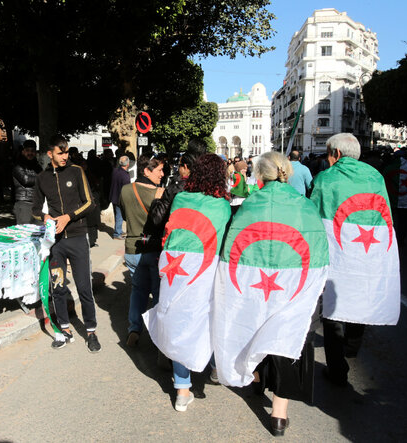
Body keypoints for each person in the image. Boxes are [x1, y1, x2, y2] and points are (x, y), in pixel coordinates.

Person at [213, 151, 329, 437]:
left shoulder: (250, 205)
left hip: (254, 284)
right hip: (294, 284)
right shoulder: (305, 205)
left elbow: (233, 246)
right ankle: (279, 413)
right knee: (287, 338)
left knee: (255, 327)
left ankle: (254, 379)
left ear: (260, 175)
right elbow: (319, 244)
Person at [310, 133, 400, 386]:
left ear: (336, 154)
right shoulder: (375, 176)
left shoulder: (326, 178)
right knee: (361, 296)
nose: (327, 159)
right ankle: (351, 347)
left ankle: (337, 368)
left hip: (337, 251)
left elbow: (314, 214)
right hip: (368, 249)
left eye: (328, 154)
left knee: (333, 307)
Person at [143, 153, 231, 412]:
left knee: (179, 319)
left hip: (174, 267)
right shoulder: (223, 206)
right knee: (210, 318)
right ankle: (215, 368)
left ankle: (182, 388)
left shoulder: (180, 198)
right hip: (205, 269)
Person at [32, 136, 101, 353]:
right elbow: (34, 208)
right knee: (58, 287)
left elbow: (90, 202)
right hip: (56, 243)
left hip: (78, 238)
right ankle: (63, 329)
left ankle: (91, 331)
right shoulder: (41, 178)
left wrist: (68, 217)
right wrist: (45, 218)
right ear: (49, 154)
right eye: (60, 153)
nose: (65, 156)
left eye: (67, 152)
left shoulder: (76, 171)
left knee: (83, 287)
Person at [119, 154, 165, 347]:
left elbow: (123, 213)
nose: (162, 174)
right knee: (157, 293)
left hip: (132, 248)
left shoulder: (126, 190)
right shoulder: (161, 193)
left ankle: (134, 328)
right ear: (147, 171)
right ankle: (158, 335)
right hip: (153, 249)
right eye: (159, 170)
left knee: (138, 291)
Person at [149, 151, 197, 230]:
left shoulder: (174, 189)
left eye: (179, 166)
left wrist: (157, 201)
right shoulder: (204, 188)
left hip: (176, 234)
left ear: (185, 167)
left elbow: (157, 219)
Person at [12, 140, 42, 224]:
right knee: (24, 233)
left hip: (37, 203)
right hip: (24, 203)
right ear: (23, 152)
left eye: (32, 151)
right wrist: (42, 178)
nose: (30, 153)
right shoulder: (18, 166)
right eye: (27, 151)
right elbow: (26, 180)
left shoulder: (37, 166)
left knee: (39, 232)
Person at [109, 155, 131, 239]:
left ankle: (119, 230)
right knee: (119, 216)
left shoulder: (114, 171)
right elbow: (126, 189)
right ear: (127, 164)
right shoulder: (125, 175)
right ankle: (117, 233)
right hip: (119, 198)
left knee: (117, 215)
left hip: (113, 196)